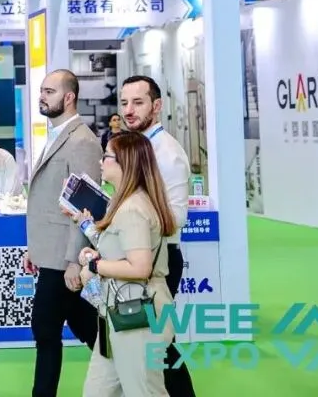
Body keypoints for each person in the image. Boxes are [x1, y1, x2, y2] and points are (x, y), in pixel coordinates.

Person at [78, 131, 178, 397]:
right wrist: (96, 254)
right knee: (97, 391)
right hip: (120, 312)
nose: (101, 162)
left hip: (137, 314)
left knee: (144, 390)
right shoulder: (127, 203)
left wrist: (96, 267)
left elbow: (140, 267)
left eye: (107, 156)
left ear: (126, 163)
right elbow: (125, 253)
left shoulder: (132, 208)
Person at [24, 69, 102, 397]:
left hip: (65, 257)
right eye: (42, 90)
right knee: (84, 324)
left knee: (45, 329)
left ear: (69, 97)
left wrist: (74, 260)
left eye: (50, 91)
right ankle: (127, 366)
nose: (42, 97)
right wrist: (36, 249)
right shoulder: (57, 135)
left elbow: (86, 207)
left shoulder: (82, 141)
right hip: (51, 252)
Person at [117, 75, 196, 397]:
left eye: (138, 102)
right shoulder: (135, 148)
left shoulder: (168, 154)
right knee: (150, 345)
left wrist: (136, 219)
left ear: (157, 105)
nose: (129, 110)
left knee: (160, 345)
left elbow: (176, 218)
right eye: (124, 103)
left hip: (158, 262)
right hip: (133, 258)